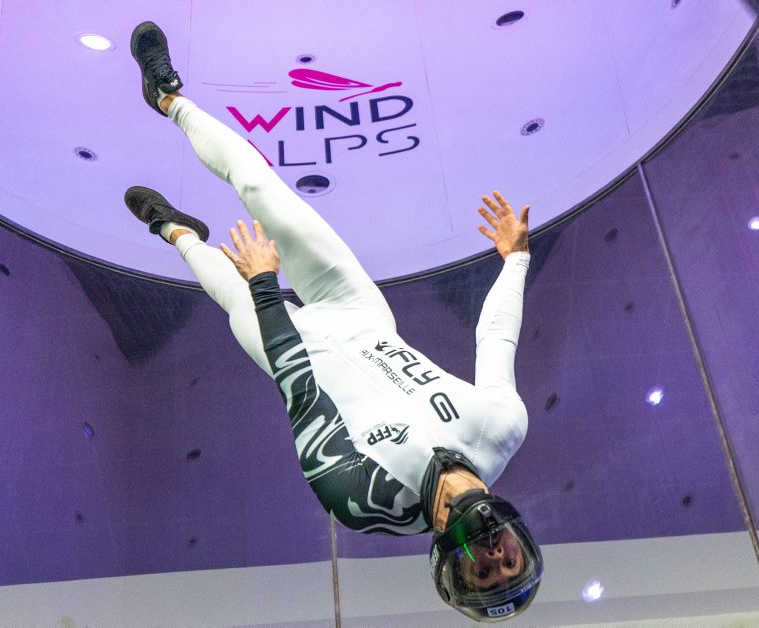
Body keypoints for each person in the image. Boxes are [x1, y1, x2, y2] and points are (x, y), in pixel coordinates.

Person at [123, 21, 543, 622]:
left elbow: (301, 394)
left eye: (484, 571)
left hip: (294, 350)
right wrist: (516, 258)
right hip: (358, 311)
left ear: (450, 561)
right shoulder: (502, 430)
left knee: (225, 288)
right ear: (520, 539)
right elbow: (495, 338)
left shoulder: (366, 504)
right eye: (510, 562)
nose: (496, 556)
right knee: (261, 186)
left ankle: (173, 228)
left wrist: (263, 286)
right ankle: (168, 98)